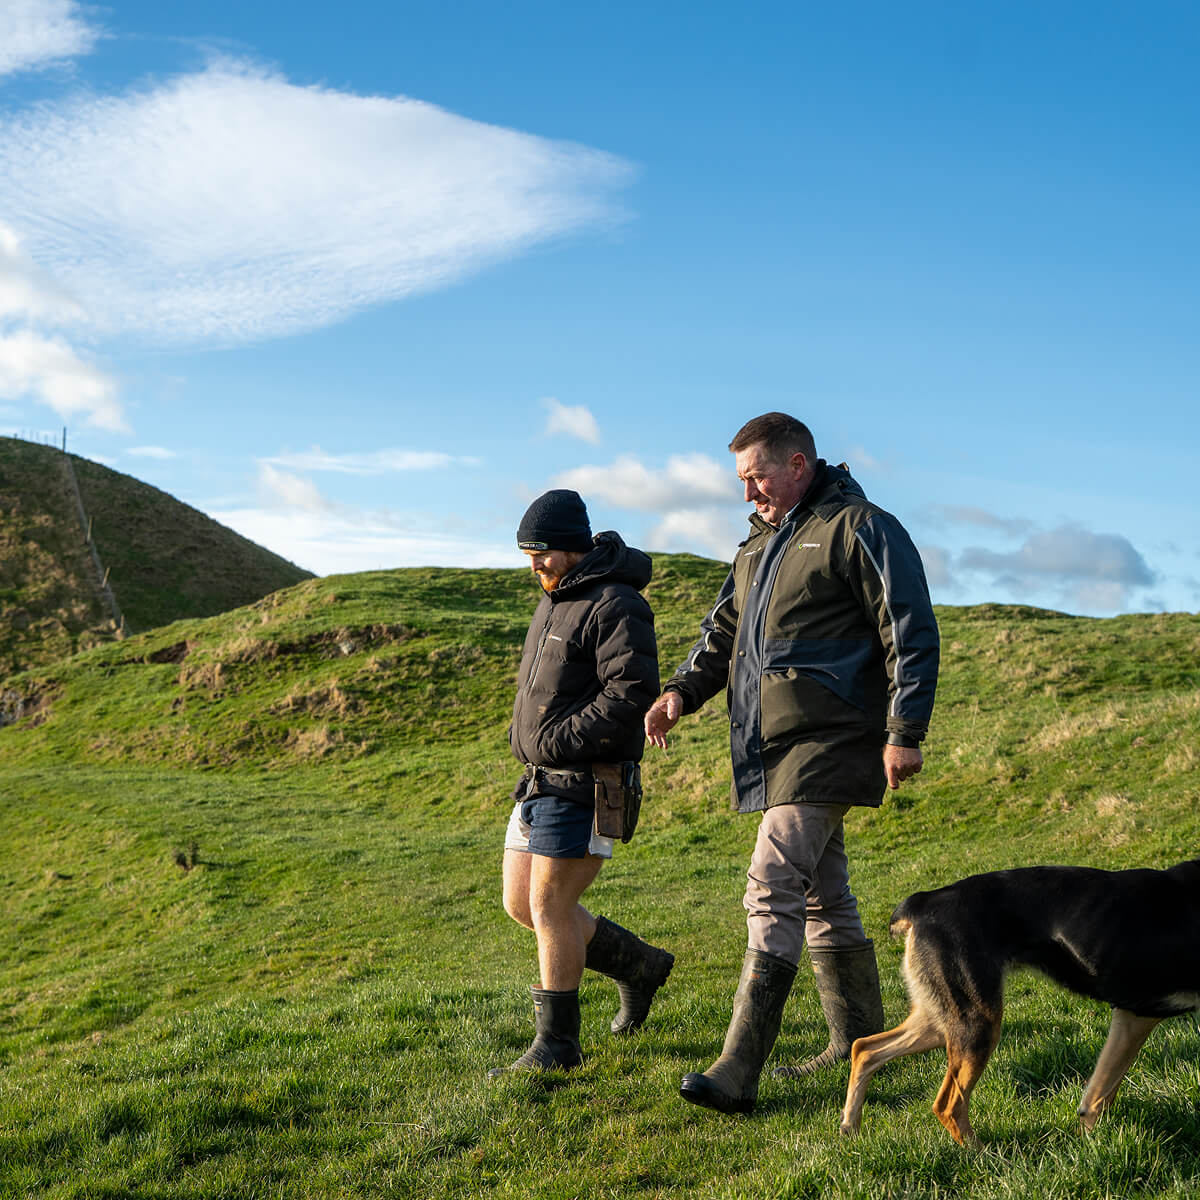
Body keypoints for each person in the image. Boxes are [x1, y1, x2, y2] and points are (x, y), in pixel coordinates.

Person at [643, 413, 939, 1114]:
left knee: (771, 883)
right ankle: (858, 1042)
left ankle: (737, 1069)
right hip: (774, 745)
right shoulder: (759, 543)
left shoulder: (861, 527)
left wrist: (904, 730)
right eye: (742, 482)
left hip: (830, 739)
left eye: (757, 477)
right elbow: (725, 631)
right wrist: (682, 691)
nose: (748, 495)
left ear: (799, 463)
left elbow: (909, 628)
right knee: (820, 895)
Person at [489, 489, 673, 1077]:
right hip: (538, 781)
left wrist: (555, 739)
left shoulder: (617, 604)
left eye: (541, 553)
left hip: (587, 781)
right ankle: (638, 965)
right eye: (528, 555)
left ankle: (557, 1047)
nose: (534, 566)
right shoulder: (555, 599)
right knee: (522, 904)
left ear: (571, 547)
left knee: (550, 904)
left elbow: (631, 695)